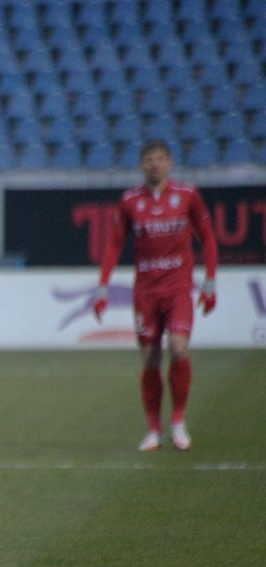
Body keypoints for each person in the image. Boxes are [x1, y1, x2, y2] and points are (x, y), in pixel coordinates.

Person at [93, 139, 218, 452]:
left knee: (178, 348)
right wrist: (102, 286)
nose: (154, 164)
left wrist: (210, 283)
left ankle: (178, 421)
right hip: (146, 290)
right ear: (141, 165)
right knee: (149, 357)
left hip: (177, 287)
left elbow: (208, 238)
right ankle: (153, 429)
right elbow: (114, 244)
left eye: (160, 159)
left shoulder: (188, 196)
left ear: (170, 163)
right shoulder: (130, 201)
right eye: (149, 159)